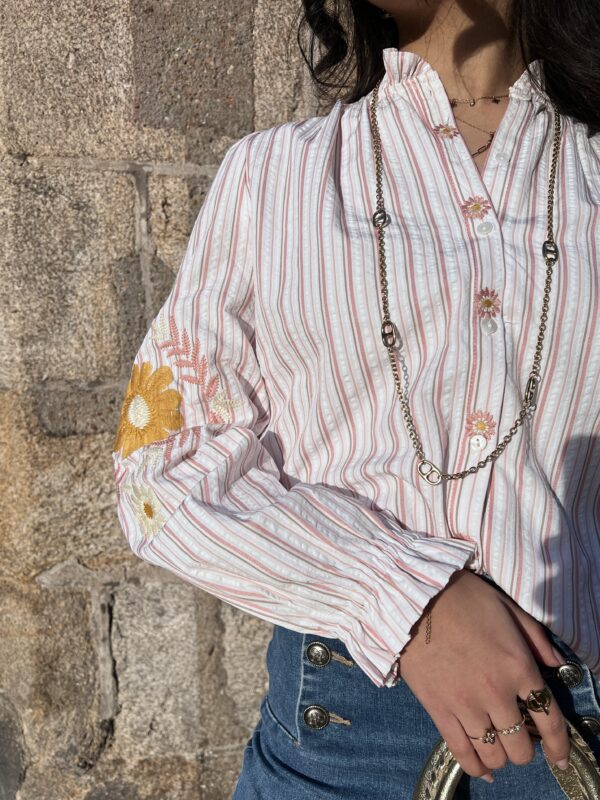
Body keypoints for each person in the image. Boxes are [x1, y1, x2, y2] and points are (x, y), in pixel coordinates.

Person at [111, 0, 600, 797]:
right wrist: (410, 600)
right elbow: (162, 464)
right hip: (340, 743)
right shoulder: (275, 177)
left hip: (576, 730)